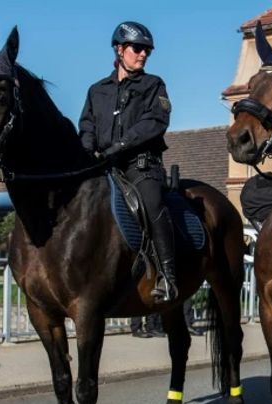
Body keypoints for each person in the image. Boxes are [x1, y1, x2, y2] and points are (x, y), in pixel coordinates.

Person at [79, 21, 177, 303]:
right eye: (138, 48)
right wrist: (88, 150)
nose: (143, 54)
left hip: (141, 166)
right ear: (120, 49)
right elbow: (87, 124)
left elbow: (154, 122)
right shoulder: (96, 90)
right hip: (104, 167)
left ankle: (167, 277)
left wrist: (118, 147)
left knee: (153, 204)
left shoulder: (153, 85)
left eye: (147, 50)